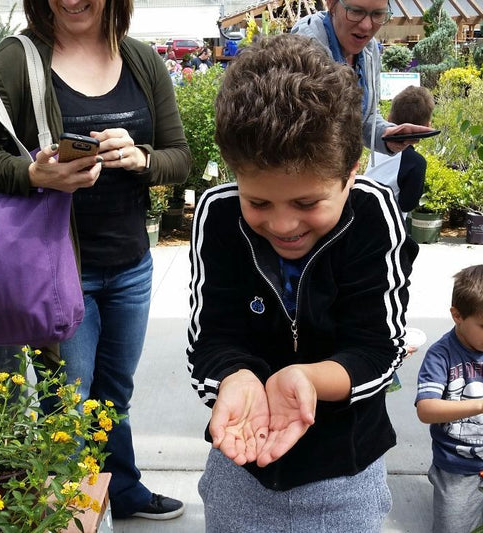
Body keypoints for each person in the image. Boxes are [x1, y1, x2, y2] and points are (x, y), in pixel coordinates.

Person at [187, 33, 418, 532]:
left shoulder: (376, 216)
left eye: (308, 203)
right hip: (240, 467)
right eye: (259, 202)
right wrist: (236, 378)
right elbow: (211, 341)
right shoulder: (218, 214)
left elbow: (378, 349)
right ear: (234, 175)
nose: (283, 225)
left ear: (351, 174)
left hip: (347, 471)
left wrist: (308, 379)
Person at [0, 0, 191, 522]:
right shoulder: (15, 60)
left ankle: (120, 490)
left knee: (114, 394)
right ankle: (75, 517)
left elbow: (179, 156)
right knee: (67, 409)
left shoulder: (141, 60)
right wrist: (32, 175)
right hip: (55, 270)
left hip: (131, 266)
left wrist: (141, 158)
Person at [415, 264, 483, 533]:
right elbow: (426, 409)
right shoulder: (441, 355)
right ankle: (453, 488)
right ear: (457, 315)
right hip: (461, 465)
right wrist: (482, 405)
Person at [292, 0, 434, 155]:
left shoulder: (369, 49)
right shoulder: (305, 49)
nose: (366, 26)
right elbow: (304, 134)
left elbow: (366, 117)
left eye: (378, 14)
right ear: (331, 4)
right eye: (356, 11)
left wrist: (390, 135)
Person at [366, 85, 435, 218]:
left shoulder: (378, 148)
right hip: (386, 228)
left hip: (360, 215)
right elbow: (407, 204)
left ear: (388, 118)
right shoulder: (416, 162)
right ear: (427, 127)